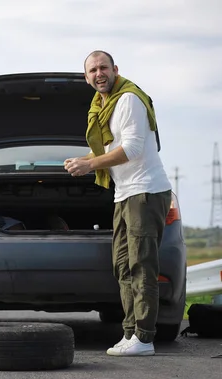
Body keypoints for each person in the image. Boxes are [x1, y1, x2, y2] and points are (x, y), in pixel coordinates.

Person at [64, 50, 173, 356]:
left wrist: (90, 164)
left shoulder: (128, 100)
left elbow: (133, 149)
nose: (99, 73)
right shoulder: (101, 105)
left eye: (103, 67)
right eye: (92, 70)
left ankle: (145, 337)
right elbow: (111, 146)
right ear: (86, 78)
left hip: (146, 192)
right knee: (122, 265)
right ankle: (130, 333)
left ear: (115, 69)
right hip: (125, 193)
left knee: (141, 266)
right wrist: (83, 160)